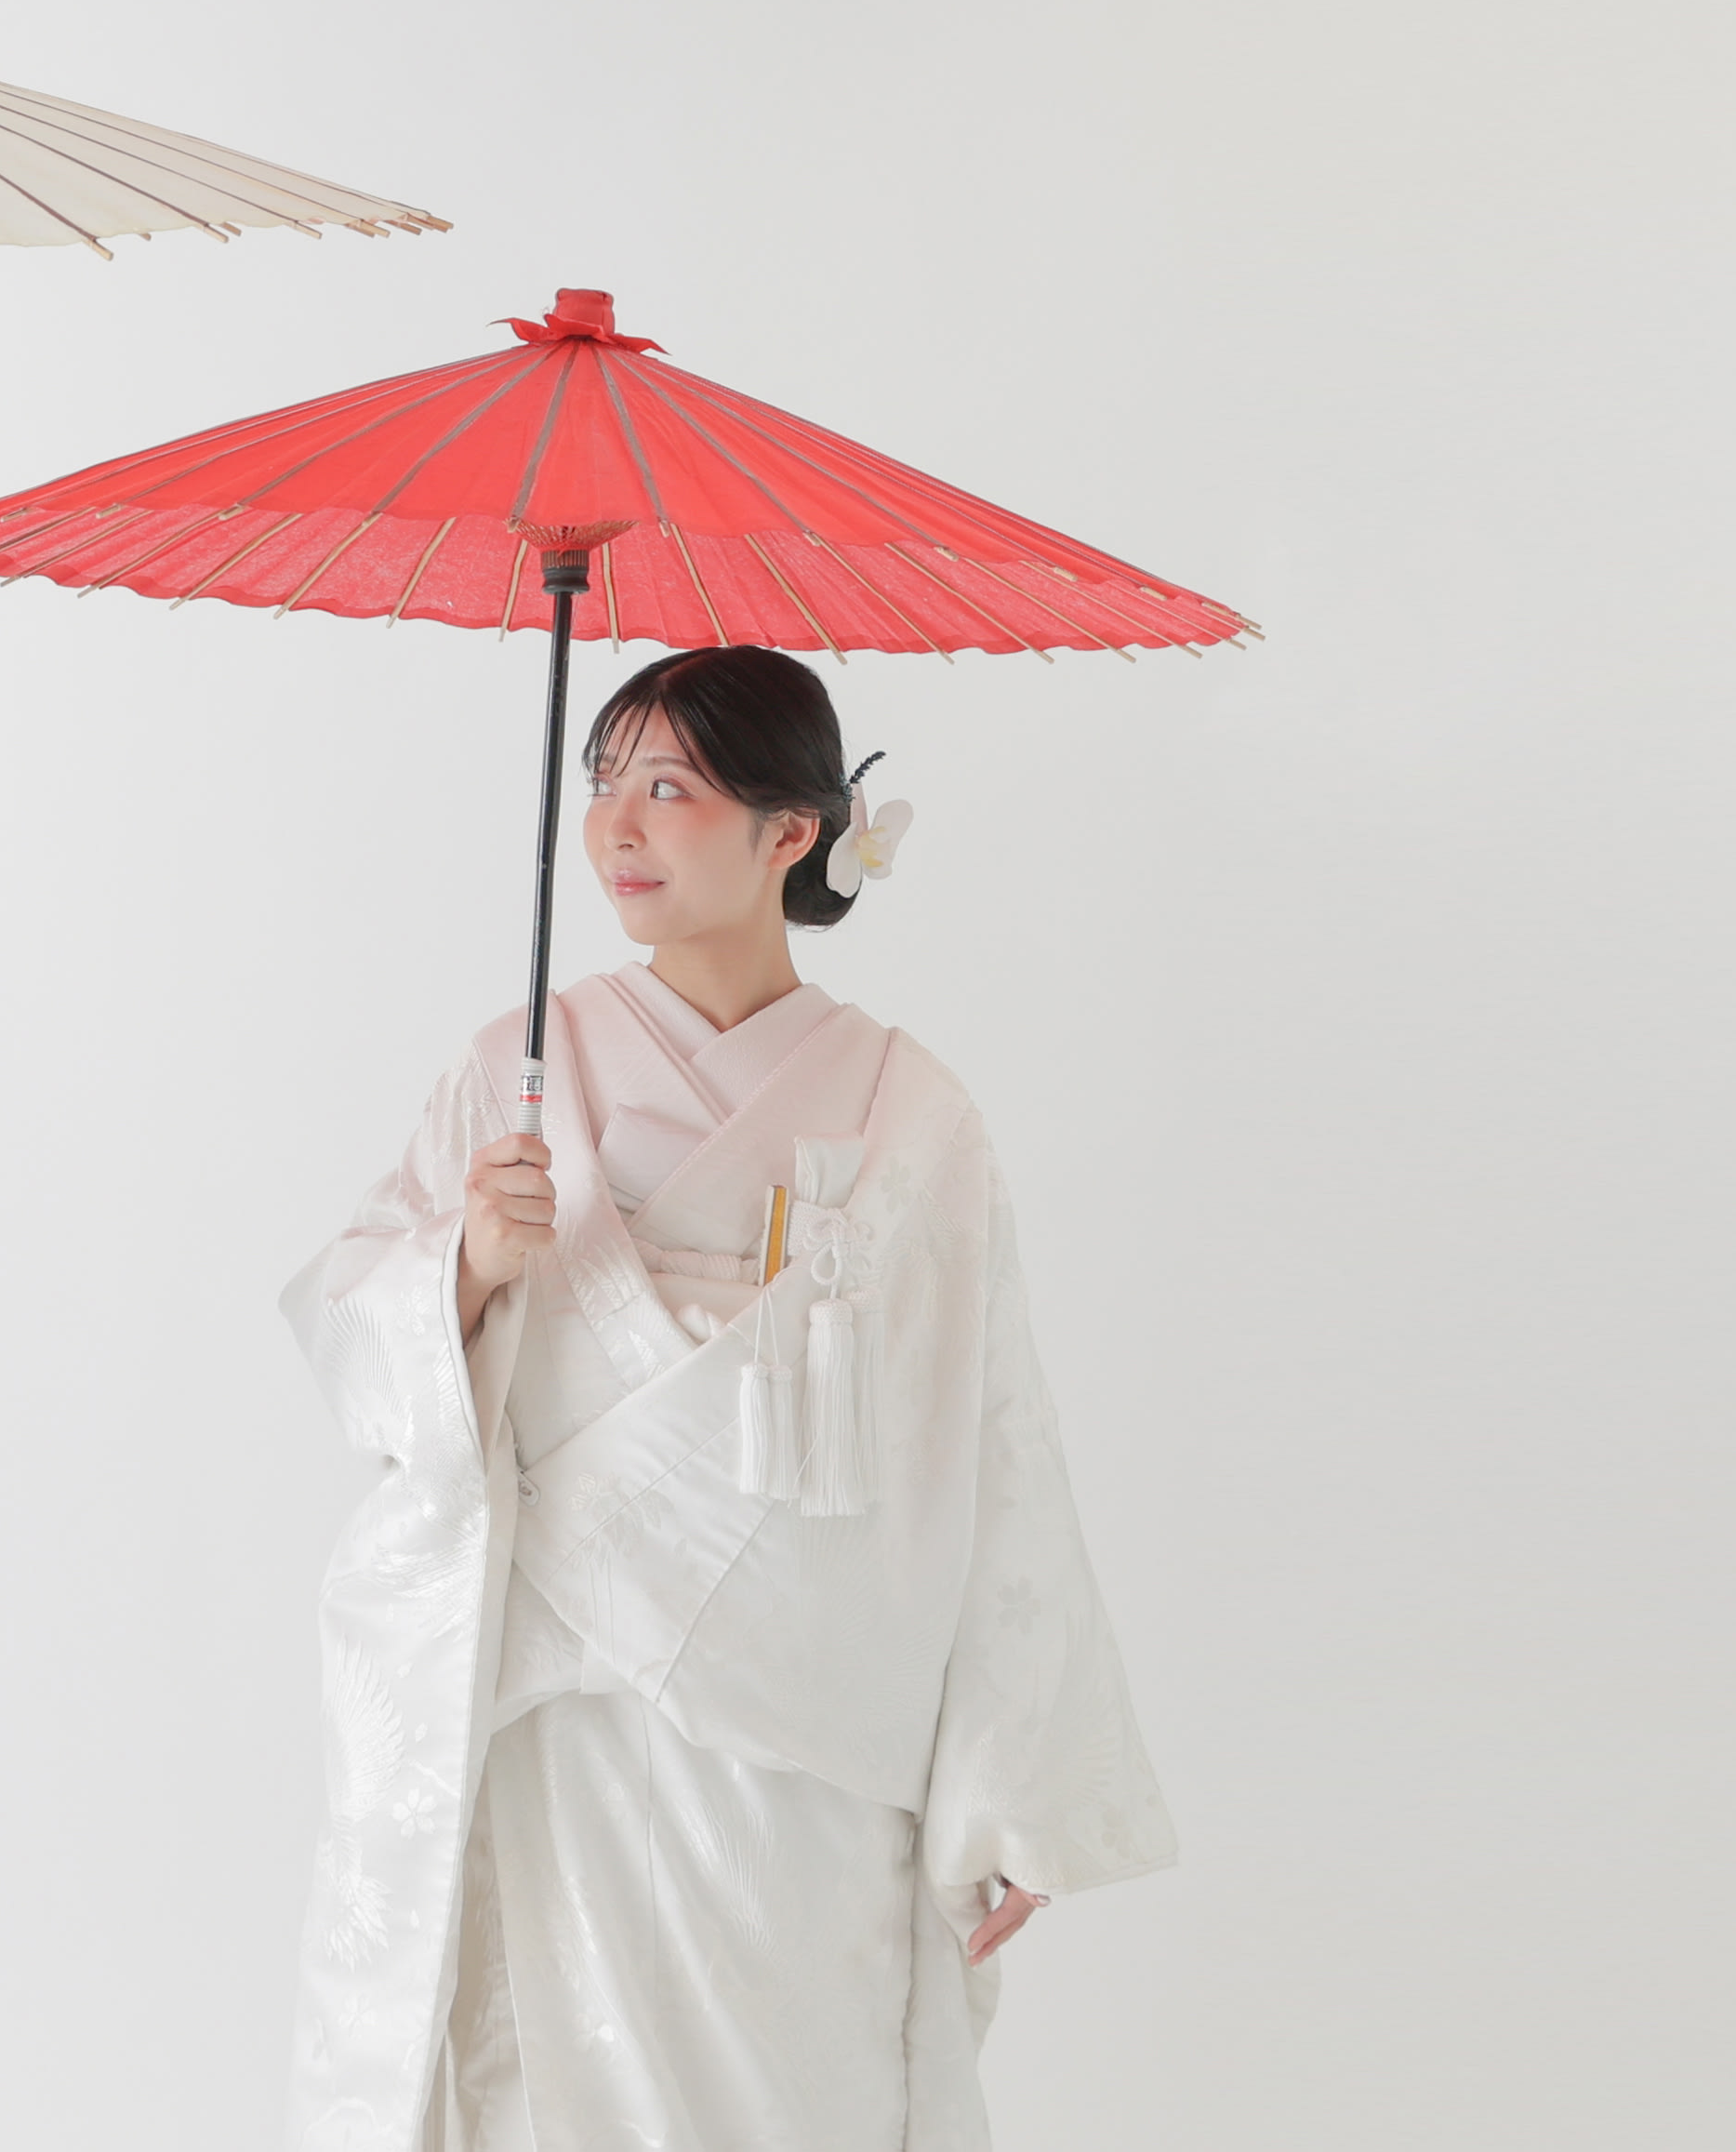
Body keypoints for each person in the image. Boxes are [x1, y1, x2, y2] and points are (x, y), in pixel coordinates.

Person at [282, 645, 1172, 2152]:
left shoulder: (911, 1111)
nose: (616, 826)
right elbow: (349, 1324)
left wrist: (1014, 1768)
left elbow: (993, 1429)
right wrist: (465, 1267)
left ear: (790, 831)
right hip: (568, 1706)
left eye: (669, 787)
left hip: (810, 1717)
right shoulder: (516, 1065)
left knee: (795, 2083)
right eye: (602, 783)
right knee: (554, 2079)